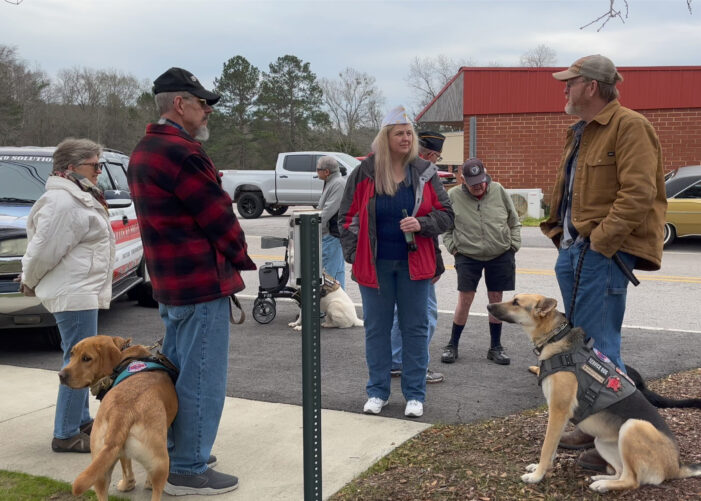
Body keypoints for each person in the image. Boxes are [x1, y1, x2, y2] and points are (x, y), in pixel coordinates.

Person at [127, 67, 256, 496]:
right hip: (200, 286)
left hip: (169, 284)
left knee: (176, 375)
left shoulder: (144, 151)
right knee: (202, 379)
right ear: (179, 104)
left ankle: (178, 449)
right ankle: (187, 465)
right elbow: (219, 218)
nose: (207, 113)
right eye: (202, 105)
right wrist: (241, 258)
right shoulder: (183, 154)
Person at [541, 55, 665, 469]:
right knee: (583, 346)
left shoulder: (630, 126)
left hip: (601, 253)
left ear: (591, 86)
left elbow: (639, 192)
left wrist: (600, 243)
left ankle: (613, 443)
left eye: (570, 82)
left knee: (602, 348)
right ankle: (593, 425)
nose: (564, 89)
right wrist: (565, 239)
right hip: (576, 251)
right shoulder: (581, 132)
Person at [339, 106, 453, 418]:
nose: (405, 138)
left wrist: (422, 224)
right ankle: (377, 392)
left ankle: (415, 395)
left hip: (414, 267)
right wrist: (354, 254)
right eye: (399, 133)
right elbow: (346, 218)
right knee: (376, 330)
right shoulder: (365, 172)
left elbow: (446, 214)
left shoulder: (424, 172)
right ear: (386, 138)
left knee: (414, 329)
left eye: (408, 133)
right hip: (374, 268)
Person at [20, 138, 115, 453]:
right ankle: (65, 434)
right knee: (79, 363)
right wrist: (28, 279)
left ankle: (80, 420)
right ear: (72, 167)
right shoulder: (63, 202)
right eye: (95, 165)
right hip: (74, 294)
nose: (99, 171)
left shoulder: (77, 196)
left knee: (80, 358)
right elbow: (42, 250)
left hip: (80, 291)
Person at [441, 158, 521, 366]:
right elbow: (447, 229)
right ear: (462, 180)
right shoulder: (453, 196)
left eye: (481, 180)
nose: (479, 186)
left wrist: (513, 245)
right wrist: (454, 248)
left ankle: (495, 347)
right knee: (465, 299)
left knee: (496, 299)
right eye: (473, 182)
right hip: (467, 255)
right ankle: (452, 345)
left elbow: (514, 220)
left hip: (500, 254)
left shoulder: (499, 190)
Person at [390, 131, 447, 384]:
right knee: (424, 317)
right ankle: (416, 365)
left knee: (399, 315)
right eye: (436, 156)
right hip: (415, 257)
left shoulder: (395, 174)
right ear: (429, 155)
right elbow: (440, 219)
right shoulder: (423, 178)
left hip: (400, 257)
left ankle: (395, 361)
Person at [316, 155, 346, 289]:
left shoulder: (338, 184)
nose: (316, 172)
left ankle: (327, 309)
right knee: (336, 276)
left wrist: (314, 226)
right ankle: (338, 307)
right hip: (333, 236)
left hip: (331, 236)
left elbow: (328, 210)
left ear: (326, 171)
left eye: (318, 169)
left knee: (328, 277)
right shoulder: (332, 182)